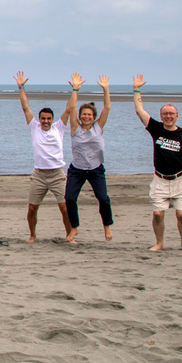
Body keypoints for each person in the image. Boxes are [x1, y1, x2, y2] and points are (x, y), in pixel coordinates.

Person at [133, 75, 182, 252]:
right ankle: (159, 243)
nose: (168, 116)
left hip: (181, 179)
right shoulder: (156, 128)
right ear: (161, 116)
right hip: (160, 180)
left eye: (171, 114)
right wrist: (136, 89)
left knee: (181, 214)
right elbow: (140, 111)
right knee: (157, 213)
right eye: (165, 114)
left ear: (177, 116)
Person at [15, 71, 72, 243]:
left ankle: (70, 235)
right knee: (32, 208)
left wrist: (75, 90)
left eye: (48, 119)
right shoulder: (34, 127)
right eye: (43, 119)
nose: (45, 121)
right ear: (39, 119)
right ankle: (32, 235)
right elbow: (25, 107)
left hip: (57, 175)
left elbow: (69, 109)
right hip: (39, 174)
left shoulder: (59, 127)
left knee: (64, 208)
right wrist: (21, 87)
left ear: (52, 119)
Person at [62, 73, 113, 243]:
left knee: (103, 199)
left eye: (89, 115)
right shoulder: (75, 127)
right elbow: (72, 108)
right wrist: (75, 89)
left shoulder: (98, 127)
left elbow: (107, 108)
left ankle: (106, 225)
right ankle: (74, 228)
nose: (86, 117)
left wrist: (105, 89)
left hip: (96, 170)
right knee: (69, 199)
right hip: (77, 170)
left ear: (93, 116)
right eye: (84, 114)